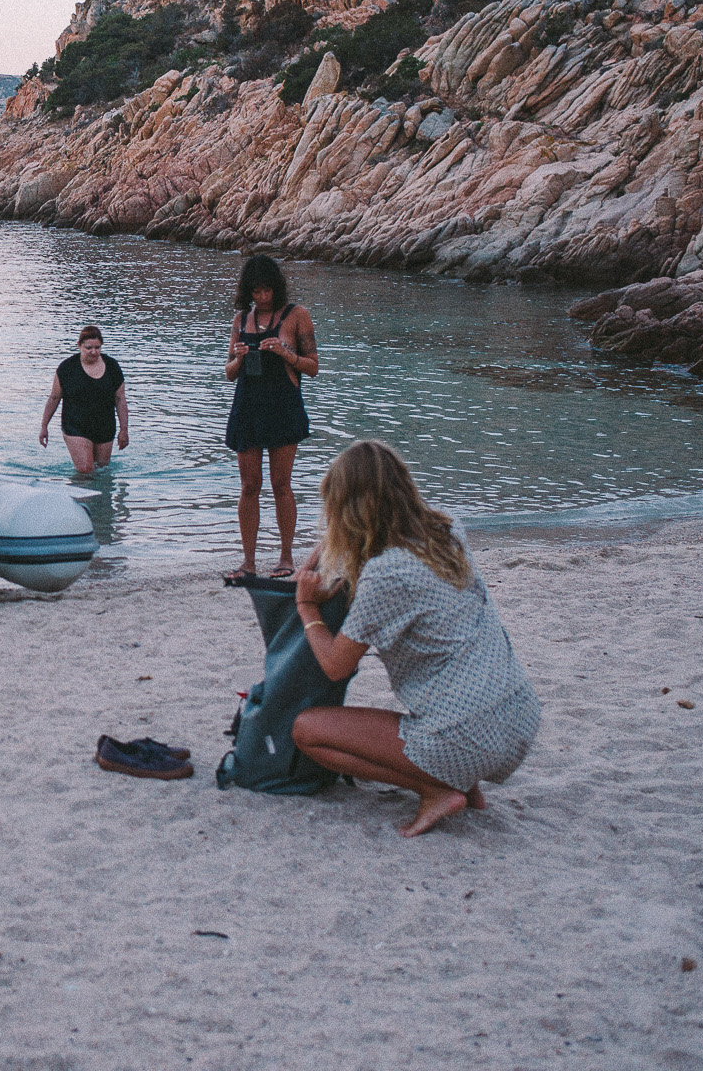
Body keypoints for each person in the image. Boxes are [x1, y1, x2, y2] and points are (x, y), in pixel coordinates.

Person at [288, 440, 541, 837]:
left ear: (346, 510)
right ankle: (464, 782)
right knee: (453, 693)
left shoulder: (386, 574)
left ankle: (435, 788)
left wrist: (306, 608)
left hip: (464, 735)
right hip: (518, 718)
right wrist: (329, 546)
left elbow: (336, 666)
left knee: (307, 731)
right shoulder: (446, 530)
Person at [223, 255, 317, 579]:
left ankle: (286, 557)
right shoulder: (240, 320)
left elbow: (313, 366)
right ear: (248, 291)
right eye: (256, 291)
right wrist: (237, 358)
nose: (262, 297)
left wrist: (284, 352)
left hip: (283, 408)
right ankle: (248, 561)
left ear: (276, 288)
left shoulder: (297, 316)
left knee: (281, 485)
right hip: (247, 408)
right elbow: (229, 373)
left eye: (267, 291)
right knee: (249, 486)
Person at [38, 325, 128, 475]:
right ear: (79, 346)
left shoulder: (112, 367)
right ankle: (76, 497)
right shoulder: (67, 368)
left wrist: (124, 429)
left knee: (102, 471)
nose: (94, 352)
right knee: (86, 471)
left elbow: (120, 400)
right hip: (75, 426)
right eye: (89, 348)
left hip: (104, 426)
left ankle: (99, 499)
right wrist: (44, 426)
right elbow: (54, 398)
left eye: (97, 347)